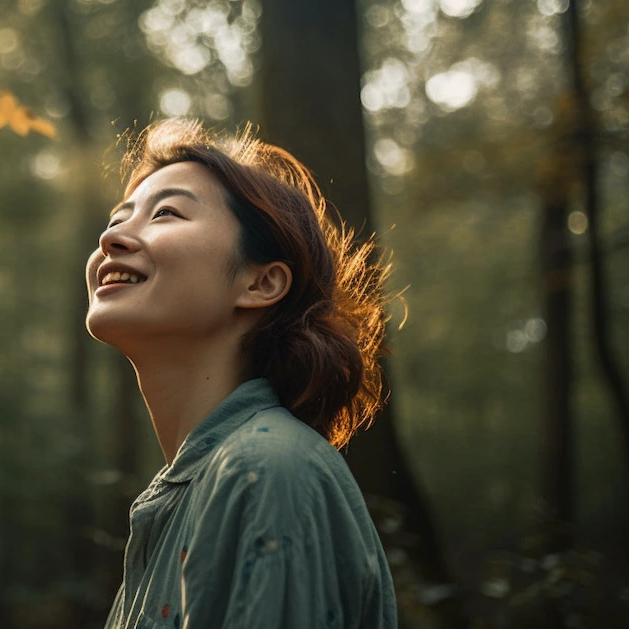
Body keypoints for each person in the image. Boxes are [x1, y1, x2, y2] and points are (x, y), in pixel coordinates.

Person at [85, 119, 398, 629]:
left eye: (165, 213)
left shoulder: (266, 472)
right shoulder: (195, 488)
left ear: (261, 282)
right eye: (120, 217)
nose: (111, 237)